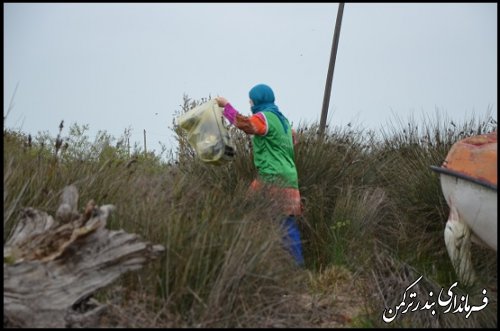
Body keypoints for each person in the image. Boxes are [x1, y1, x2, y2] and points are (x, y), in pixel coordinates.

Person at [215, 83, 305, 267]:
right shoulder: (284, 121)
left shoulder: (264, 118)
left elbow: (247, 125)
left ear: (258, 100)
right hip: (290, 179)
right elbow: (294, 139)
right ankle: (294, 266)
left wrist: (226, 107)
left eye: (251, 101)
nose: (250, 104)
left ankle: (247, 262)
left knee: (246, 212)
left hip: (272, 178)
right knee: (286, 223)